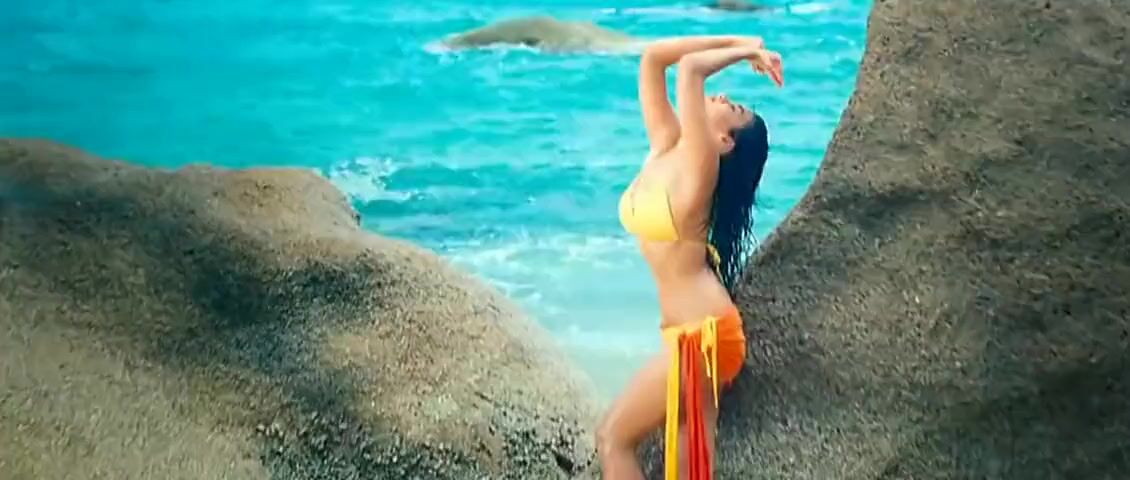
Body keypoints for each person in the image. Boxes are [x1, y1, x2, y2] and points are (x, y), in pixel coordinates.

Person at [596, 35, 783, 480]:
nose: (722, 96)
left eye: (731, 107)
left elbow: (690, 70)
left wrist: (746, 51)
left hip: (704, 337)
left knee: (612, 438)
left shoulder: (700, 170)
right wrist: (740, 39)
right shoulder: (666, 145)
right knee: (688, 464)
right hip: (689, 335)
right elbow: (653, 58)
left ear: (724, 141)